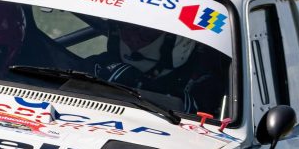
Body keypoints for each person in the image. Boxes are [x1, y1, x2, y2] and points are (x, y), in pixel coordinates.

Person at [95, 22, 226, 116]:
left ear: (176, 41)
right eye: (127, 28)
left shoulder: (208, 88)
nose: (133, 39)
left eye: (145, 33)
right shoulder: (96, 66)